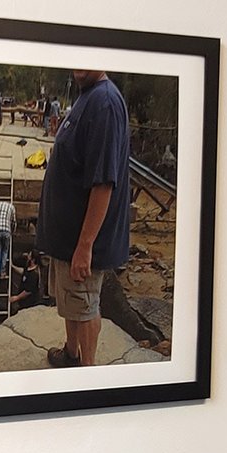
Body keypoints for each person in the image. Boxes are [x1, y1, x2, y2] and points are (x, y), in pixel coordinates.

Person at [37, 69, 133, 368]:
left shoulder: (104, 103)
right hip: (68, 239)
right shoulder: (87, 97)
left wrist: (85, 245)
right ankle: (71, 352)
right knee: (73, 302)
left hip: (82, 240)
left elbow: (103, 183)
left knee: (85, 305)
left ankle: (87, 372)